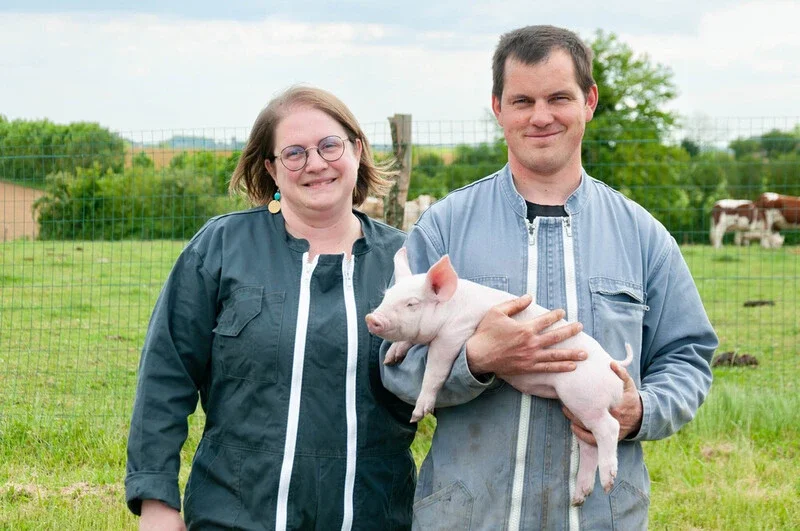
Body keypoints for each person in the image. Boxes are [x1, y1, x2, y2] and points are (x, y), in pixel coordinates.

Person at [381, 25, 718, 530]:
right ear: (498, 108)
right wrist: (476, 360)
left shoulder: (642, 235)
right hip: (473, 515)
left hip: (601, 517)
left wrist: (638, 411)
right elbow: (390, 368)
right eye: (522, 100)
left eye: (559, 97)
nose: (541, 117)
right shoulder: (445, 230)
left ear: (589, 101)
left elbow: (688, 357)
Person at [125, 86, 419, 530]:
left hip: (372, 516)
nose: (315, 164)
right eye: (295, 153)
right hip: (234, 516)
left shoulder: (405, 263)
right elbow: (165, 377)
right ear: (272, 169)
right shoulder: (221, 248)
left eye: (329, 145)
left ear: (357, 150)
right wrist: (156, 502)